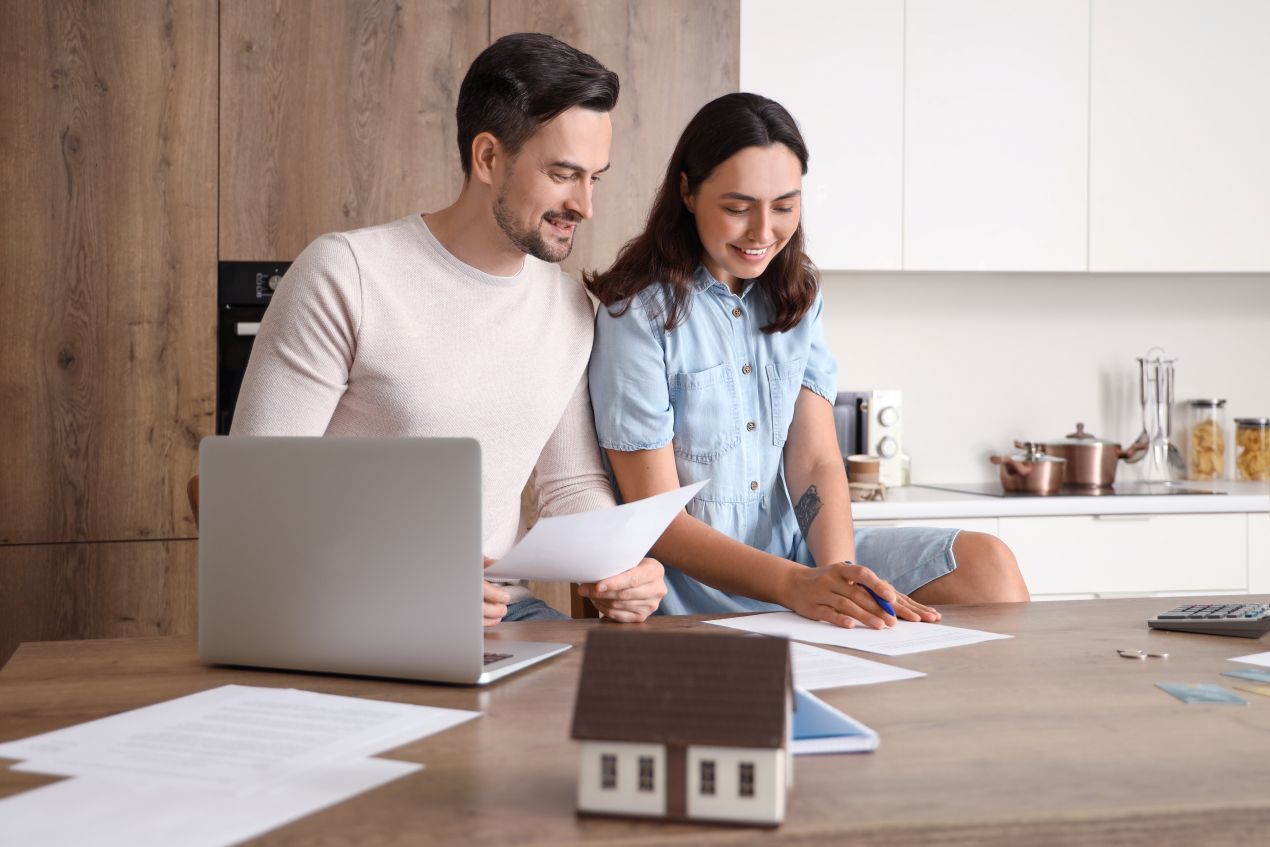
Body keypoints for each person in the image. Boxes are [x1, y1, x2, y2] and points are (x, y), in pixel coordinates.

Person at [232, 33, 666, 625]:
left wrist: (620, 565)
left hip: (502, 615)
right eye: (565, 174)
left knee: (620, 706)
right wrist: (409, 578)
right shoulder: (348, 274)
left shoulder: (568, 307)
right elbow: (256, 493)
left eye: (595, 178)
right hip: (350, 607)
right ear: (488, 158)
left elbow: (570, 487)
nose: (585, 205)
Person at [585, 92, 1029, 629]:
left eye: (784, 206)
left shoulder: (799, 295)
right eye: (737, 208)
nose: (763, 232)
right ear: (687, 192)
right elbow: (655, 520)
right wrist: (796, 587)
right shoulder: (635, 315)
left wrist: (840, 576)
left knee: (990, 568)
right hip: (699, 588)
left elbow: (815, 461)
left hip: (803, 562)